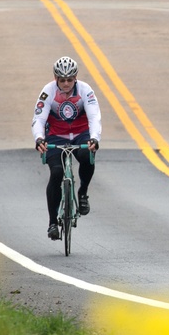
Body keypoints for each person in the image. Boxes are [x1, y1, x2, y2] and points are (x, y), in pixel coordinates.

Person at [32, 55, 101, 240]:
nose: (66, 84)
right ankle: (52, 222)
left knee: (87, 155)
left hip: (80, 134)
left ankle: (83, 192)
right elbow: (38, 118)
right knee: (56, 173)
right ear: (56, 79)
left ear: (75, 77)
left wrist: (94, 138)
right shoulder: (48, 92)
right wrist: (39, 139)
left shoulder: (85, 90)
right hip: (56, 136)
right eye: (62, 80)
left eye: (70, 80)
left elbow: (94, 117)